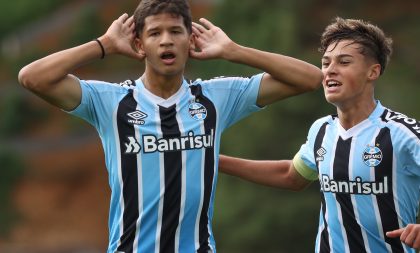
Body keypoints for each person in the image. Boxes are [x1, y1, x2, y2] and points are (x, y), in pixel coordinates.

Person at [17, 0, 322, 252]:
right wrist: (105, 44)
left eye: (176, 31)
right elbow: (32, 77)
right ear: (139, 44)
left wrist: (234, 51)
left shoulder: (215, 98)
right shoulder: (111, 101)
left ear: (191, 41)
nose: (166, 40)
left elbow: (309, 78)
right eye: (155, 33)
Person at [219, 17, 420, 252]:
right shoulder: (322, 130)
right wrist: (213, 159)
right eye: (326, 63)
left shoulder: (402, 134)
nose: (330, 70)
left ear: (373, 72)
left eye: (344, 62)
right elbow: (291, 175)